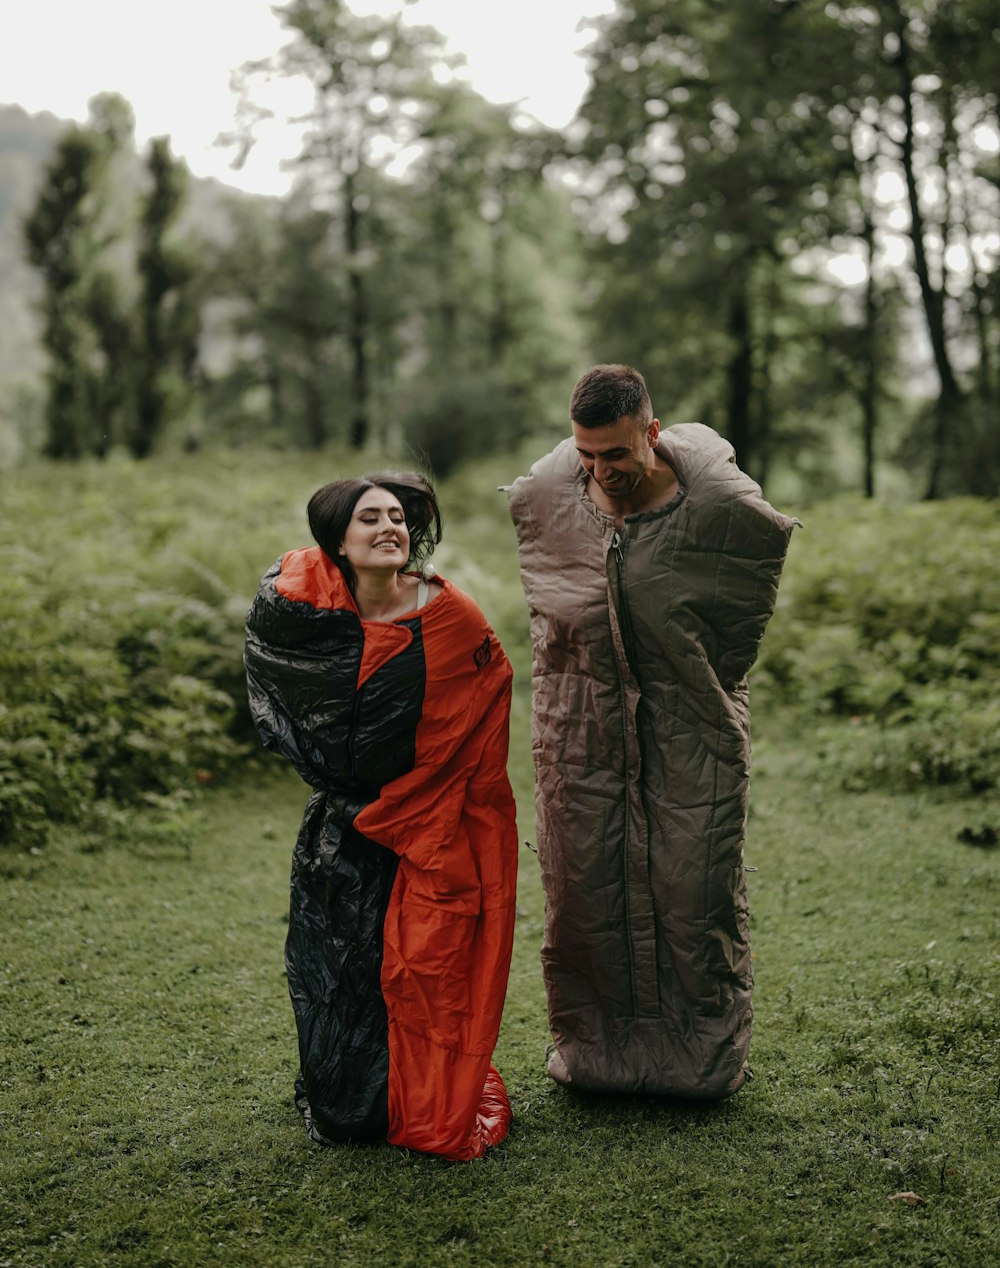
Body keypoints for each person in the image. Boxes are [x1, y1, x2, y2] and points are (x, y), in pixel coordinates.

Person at [506, 365, 797, 1100]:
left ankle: (699, 1063)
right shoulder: (548, 493)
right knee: (585, 894)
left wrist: (700, 683)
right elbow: (548, 610)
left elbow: (741, 620)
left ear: (652, 431)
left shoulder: (723, 505)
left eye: (617, 454)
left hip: (691, 726)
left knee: (693, 894)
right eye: (588, 456)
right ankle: (595, 1056)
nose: (603, 470)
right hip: (581, 730)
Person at [245, 471, 518, 1160]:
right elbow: (282, 689)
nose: (388, 527)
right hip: (343, 826)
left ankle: (417, 1094)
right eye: (369, 518)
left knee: (422, 966)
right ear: (338, 538)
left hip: (428, 824)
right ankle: (351, 1095)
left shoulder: (448, 615)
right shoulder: (302, 614)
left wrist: (422, 795)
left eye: (396, 516)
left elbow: (483, 705)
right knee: (340, 966)